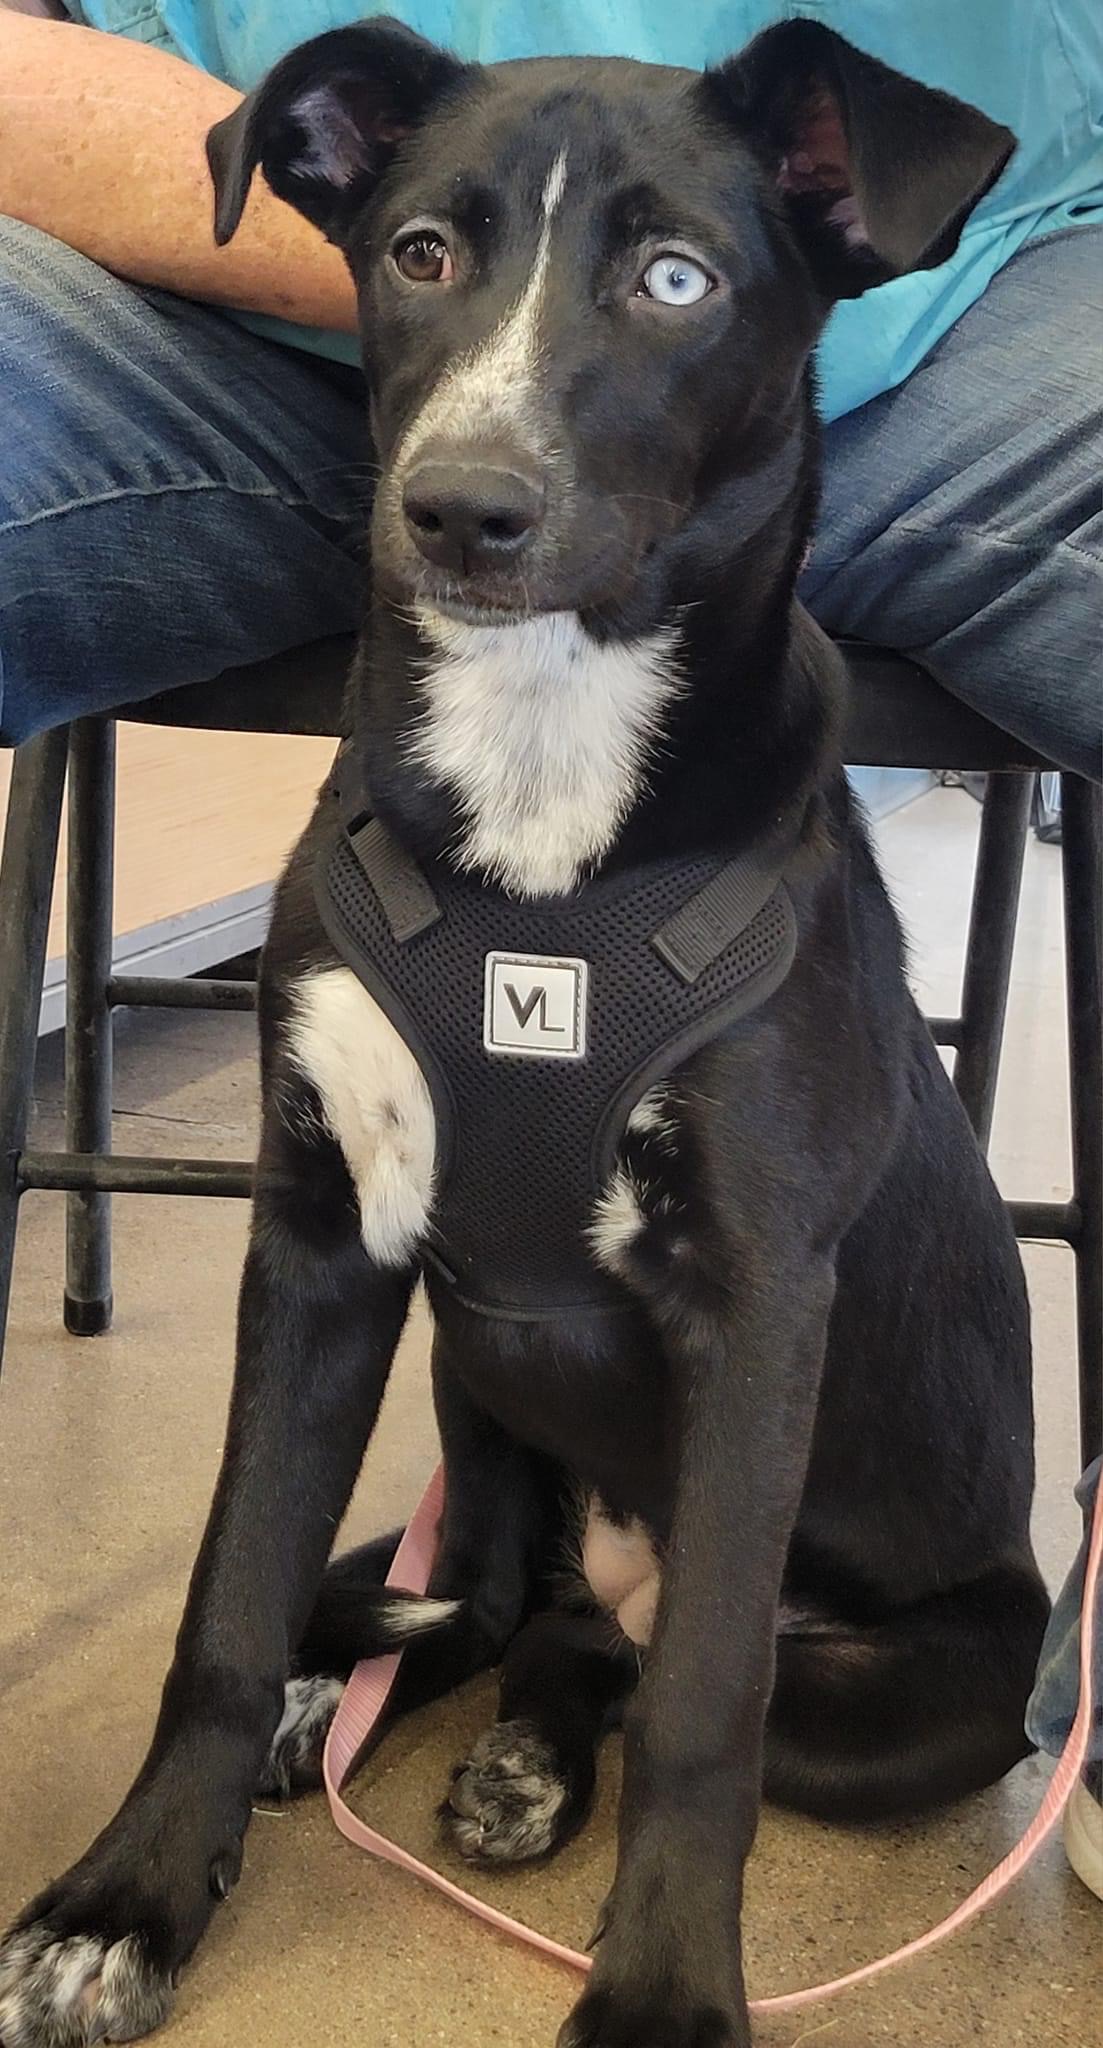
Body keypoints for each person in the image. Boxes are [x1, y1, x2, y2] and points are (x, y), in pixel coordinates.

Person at [1, 0, 1100, 1889]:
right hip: (203, 310)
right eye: (432, 252)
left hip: (991, 305)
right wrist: (380, 231)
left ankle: (561, 1656)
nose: (485, 439)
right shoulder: (354, 213)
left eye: (658, 266)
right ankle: (502, 1625)